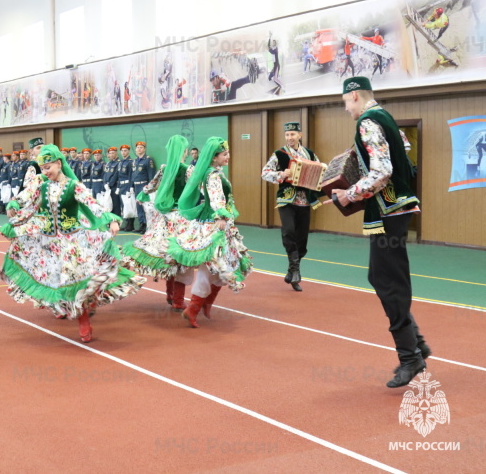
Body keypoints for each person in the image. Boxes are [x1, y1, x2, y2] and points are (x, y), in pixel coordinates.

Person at [327, 76, 429, 388]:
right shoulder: (384, 118)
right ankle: (417, 344)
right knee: (381, 277)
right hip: (395, 209)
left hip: (388, 210)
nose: (346, 109)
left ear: (355, 95)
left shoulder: (368, 122)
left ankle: (410, 356)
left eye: (346, 102)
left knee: (388, 281)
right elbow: (401, 148)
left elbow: (382, 170)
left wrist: (349, 194)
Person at [0, 144, 145, 343]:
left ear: (59, 164)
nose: (46, 172)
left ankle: (84, 321)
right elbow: (26, 197)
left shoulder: (73, 186)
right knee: (52, 277)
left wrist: (110, 218)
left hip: (71, 242)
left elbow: (92, 203)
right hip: (47, 241)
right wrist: (14, 204)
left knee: (75, 280)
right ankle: (59, 306)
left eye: (49, 167)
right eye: (43, 168)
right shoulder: (40, 184)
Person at [168, 137, 252, 328]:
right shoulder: (213, 175)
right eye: (224, 154)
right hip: (213, 225)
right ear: (214, 158)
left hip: (220, 224)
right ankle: (194, 309)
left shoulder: (213, 172)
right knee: (211, 268)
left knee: (222, 268)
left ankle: (203, 305)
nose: (228, 157)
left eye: (228, 153)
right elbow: (215, 198)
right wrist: (220, 216)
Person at [123, 134, 192, 311]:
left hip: (165, 217)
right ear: (185, 151)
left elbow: (150, 185)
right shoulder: (188, 170)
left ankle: (170, 294)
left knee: (166, 255)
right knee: (180, 258)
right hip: (182, 219)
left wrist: (142, 195)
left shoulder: (165, 168)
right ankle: (177, 299)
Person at [260, 122, 322, 291]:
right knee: (289, 231)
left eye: (293, 134)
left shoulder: (309, 154)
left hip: (305, 201)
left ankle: (292, 271)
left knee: (302, 238)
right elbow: (264, 173)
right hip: (287, 200)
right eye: (287, 135)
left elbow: (319, 172)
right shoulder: (279, 154)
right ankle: (295, 271)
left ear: (299, 135)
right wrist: (280, 174)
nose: (289, 138)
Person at [131, 141, 156, 234]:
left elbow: (151, 175)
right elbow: (133, 174)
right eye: (137, 148)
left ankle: (147, 225)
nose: (139, 149)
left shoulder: (148, 160)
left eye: (141, 147)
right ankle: (141, 224)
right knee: (139, 206)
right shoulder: (135, 161)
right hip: (136, 185)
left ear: (144, 149)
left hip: (144, 185)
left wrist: (150, 188)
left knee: (145, 206)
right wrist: (132, 186)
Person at [118, 144, 135, 231]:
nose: (123, 152)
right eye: (122, 151)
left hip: (127, 185)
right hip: (121, 185)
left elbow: (131, 175)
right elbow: (119, 176)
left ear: (128, 151)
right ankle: (126, 223)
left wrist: (130, 187)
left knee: (129, 204)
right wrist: (118, 187)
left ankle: (130, 224)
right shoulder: (121, 162)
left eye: (125, 150)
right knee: (124, 205)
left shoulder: (130, 162)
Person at [102, 147, 121, 216]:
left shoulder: (118, 163)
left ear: (116, 153)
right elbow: (105, 174)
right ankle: (110, 222)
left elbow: (116, 174)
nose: (111, 155)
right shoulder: (108, 163)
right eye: (110, 153)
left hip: (114, 187)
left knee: (116, 205)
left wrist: (110, 184)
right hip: (107, 188)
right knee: (108, 205)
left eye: (113, 153)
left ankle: (116, 223)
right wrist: (105, 184)